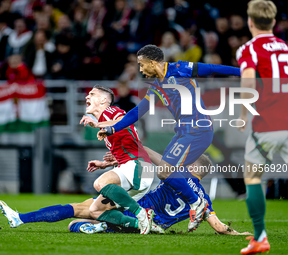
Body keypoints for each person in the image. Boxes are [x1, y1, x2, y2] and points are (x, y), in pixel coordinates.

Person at [98, 44, 240, 232]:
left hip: (198, 129)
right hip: (182, 133)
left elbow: (212, 69)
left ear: (151, 62)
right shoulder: (156, 87)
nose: (140, 69)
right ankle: (198, 205)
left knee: (164, 171)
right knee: (168, 172)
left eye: (142, 65)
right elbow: (137, 112)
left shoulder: (182, 69)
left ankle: (197, 203)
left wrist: (243, 72)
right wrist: (113, 128)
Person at [0, 149, 251, 236]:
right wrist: (239, 233)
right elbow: (218, 226)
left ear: (195, 167)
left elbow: (160, 165)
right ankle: (103, 226)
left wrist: (137, 147)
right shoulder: (203, 199)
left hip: (138, 212)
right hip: (153, 225)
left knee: (80, 212)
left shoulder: (178, 174)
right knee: (81, 217)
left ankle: (20, 219)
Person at [236, 0, 288, 254]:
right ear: (274, 22)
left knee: (252, 176)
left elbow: (248, 82)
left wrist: (244, 113)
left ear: (250, 22)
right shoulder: (285, 47)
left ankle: (260, 237)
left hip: (267, 122)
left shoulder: (249, 49)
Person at [79, 85, 154, 234]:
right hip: (134, 169)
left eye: (92, 94)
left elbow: (123, 121)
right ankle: (144, 225)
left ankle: (141, 214)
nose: (87, 97)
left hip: (140, 166)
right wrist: (107, 163)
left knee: (100, 183)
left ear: (103, 100)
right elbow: (130, 142)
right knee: (96, 210)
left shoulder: (111, 112)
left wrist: (98, 124)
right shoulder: (105, 124)